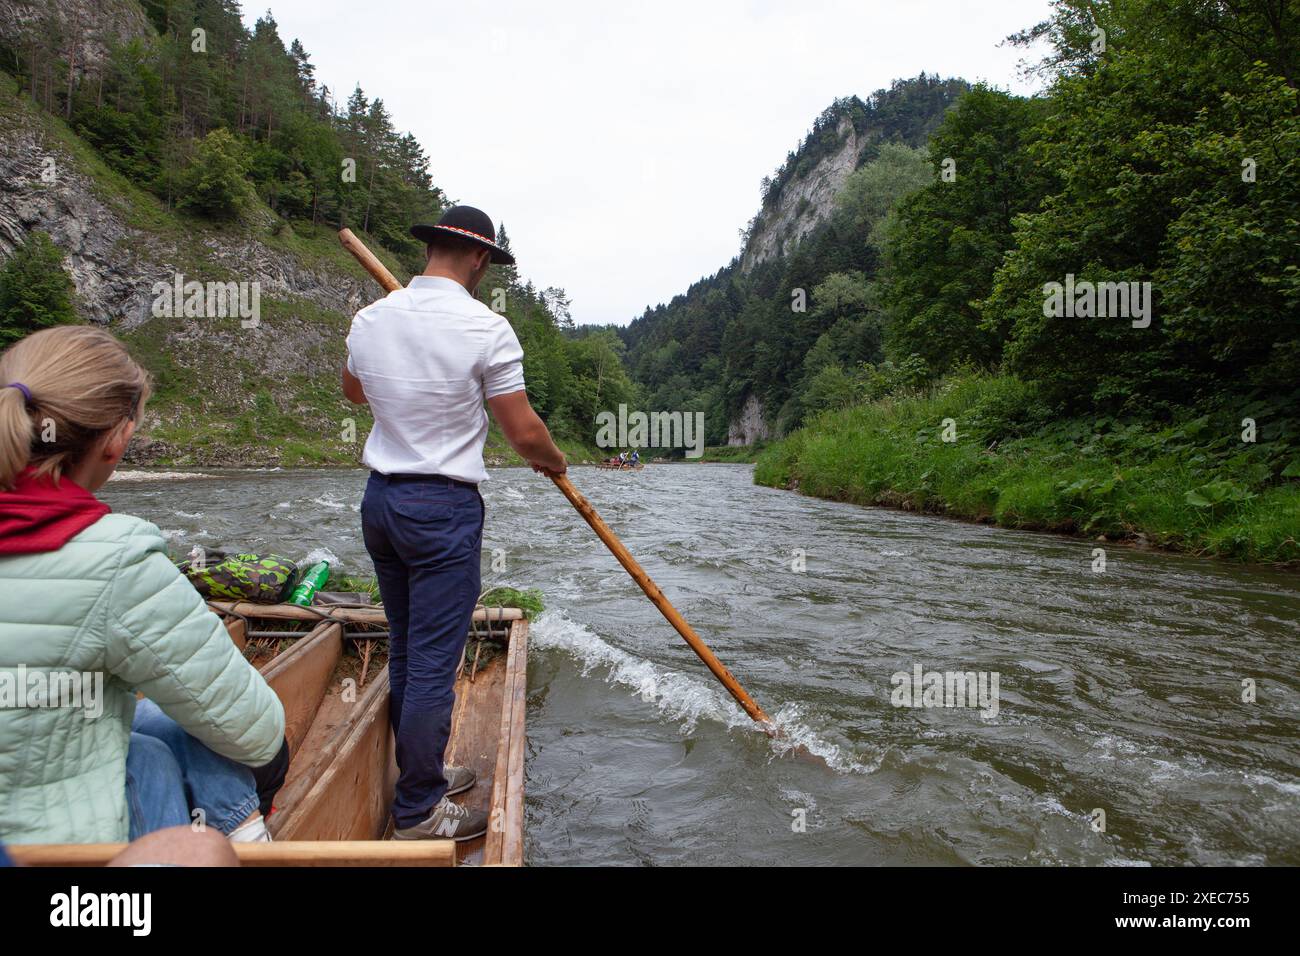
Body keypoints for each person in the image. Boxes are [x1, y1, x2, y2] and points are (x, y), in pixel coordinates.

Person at [0, 326, 286, 845]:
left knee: (148, 744)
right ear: (116, 441)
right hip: (64, 862)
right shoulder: (118, 560)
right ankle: (243, 839)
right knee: (202, 735)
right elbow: (256, 731)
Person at [343, 205, 566, 841]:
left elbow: (355, 394)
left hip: (381, 503)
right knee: (435, 664)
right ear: (477, 259)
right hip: (441, 510)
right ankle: (418, 810)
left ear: (430, 249)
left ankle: (425, 770)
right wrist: (555, 462)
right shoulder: (486, 329)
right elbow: (522, 432)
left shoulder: (369, 320)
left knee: (410, 649)